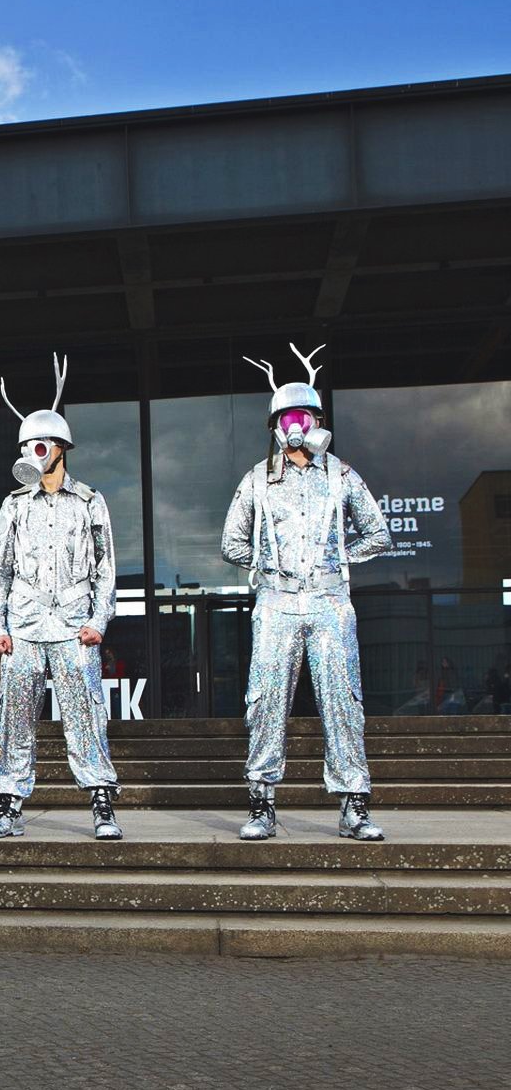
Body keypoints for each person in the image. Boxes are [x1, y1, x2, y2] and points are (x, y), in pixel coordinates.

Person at [220, 343, 390, 841]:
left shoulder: (341, 475)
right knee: (266, 701)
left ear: (316, 420)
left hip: (331, 603)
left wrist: (340, 558)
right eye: (287, 416)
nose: (295, 425)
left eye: (304, 415)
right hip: (276, 604)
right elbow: (231, 542)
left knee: (342, 699)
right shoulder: (257, 479)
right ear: (276, 424)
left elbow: (377, 533)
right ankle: (262, 804)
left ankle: (353, 805)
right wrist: (265, 563)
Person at [0, 354, 123, 840]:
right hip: (23, 627)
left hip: (72, 627)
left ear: (61, 448)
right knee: (16, 717)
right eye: (26, 445)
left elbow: (106, 570)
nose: (33, 451)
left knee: (85, 713)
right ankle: (9, 805)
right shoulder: (12, 504)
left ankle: (101, 803)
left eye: (40, 444)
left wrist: (99, 622)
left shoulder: (91, 502)